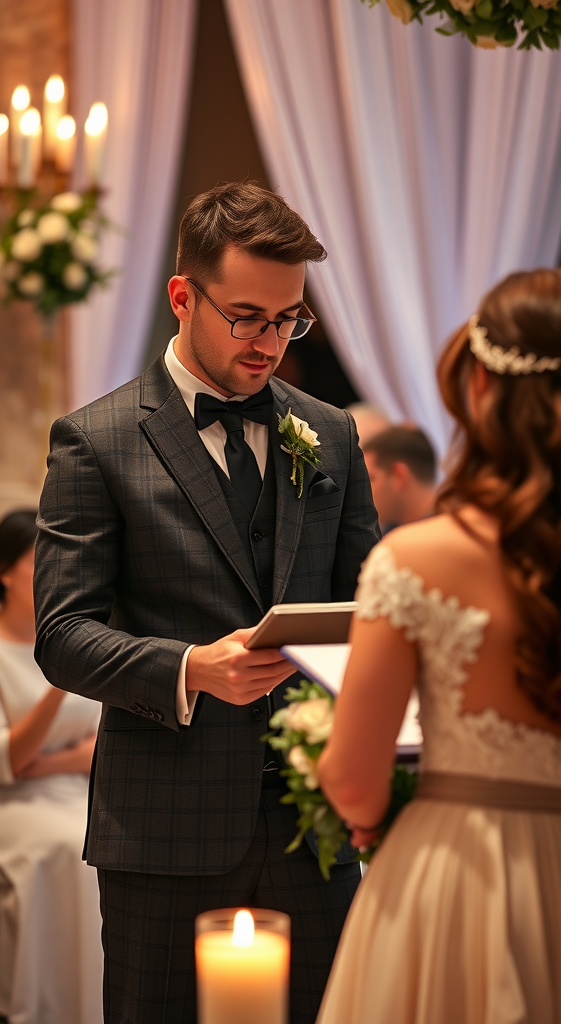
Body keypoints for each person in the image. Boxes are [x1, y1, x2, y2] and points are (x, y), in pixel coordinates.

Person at [33, 182, 380, 1024]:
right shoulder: (98, 439)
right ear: (183, 297)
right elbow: (62, 633)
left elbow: (373, 606)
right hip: (163, 832)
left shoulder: (327, 431)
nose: (270, 342)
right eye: (248, 316)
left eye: (290, 318)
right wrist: (190, 668)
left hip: (315, 829)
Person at [315, 267, 561, 1024]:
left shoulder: (416, 560)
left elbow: (356, 779)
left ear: (483, 389)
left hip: (461, 884)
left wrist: (369, 810)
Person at [0, 509, 102, 1024]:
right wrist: (59, 682)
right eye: (38, 558)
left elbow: (99, 740)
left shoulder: (79, 635)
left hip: (86, 786)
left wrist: (55, 761)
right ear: (5, 571)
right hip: (14, 803)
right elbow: (10, 761)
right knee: (66, 845)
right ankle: (46, 1009)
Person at [362, 424, 437, 531]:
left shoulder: (453, 534)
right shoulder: (388, 532)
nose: (360, 491)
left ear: (398, 475)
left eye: (370, 479)